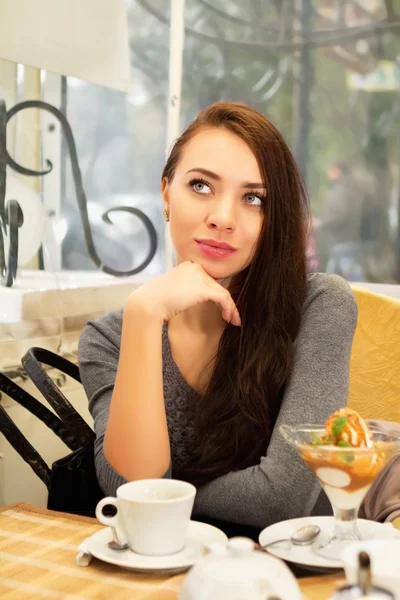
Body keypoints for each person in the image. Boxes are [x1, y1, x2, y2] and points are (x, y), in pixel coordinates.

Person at [78, 101, 358, 538]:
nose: (223, 219)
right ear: (167, 193)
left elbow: (283, 498)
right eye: (201, 186)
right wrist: (145, 315)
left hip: (291, 571)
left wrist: (162, 496)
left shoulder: (319, 305)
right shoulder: (110, 337)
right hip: (165, 567)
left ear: (273, 218)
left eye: (253, 198)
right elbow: (127, 486)